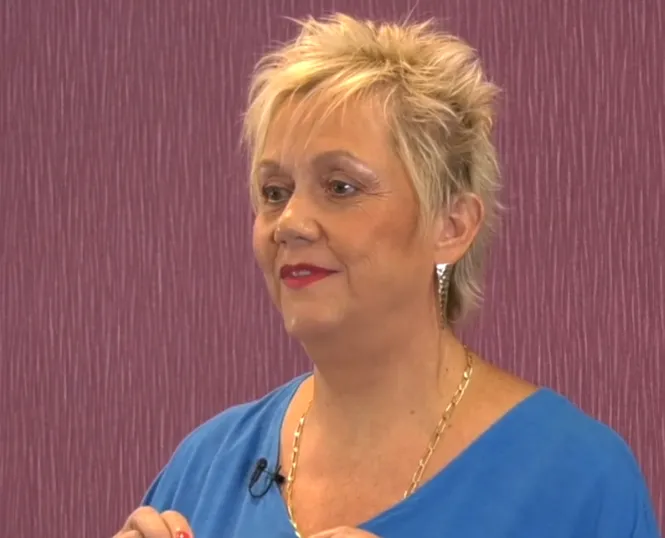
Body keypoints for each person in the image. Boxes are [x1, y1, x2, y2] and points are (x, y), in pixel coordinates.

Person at [112, 13, 660, 538]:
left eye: (341, 187)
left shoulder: (576, 480)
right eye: (274, 192)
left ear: (452, 225)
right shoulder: (205, 467)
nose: (290, 223)